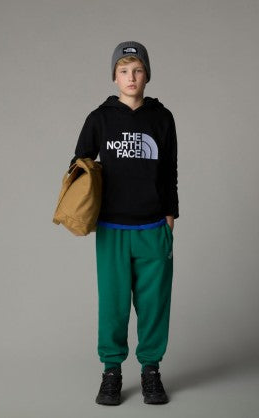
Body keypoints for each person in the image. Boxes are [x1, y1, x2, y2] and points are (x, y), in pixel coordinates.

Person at [69, 41, 179, 405]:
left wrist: (170, 213)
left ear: (147, 74)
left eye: (137, 70)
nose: (131, 77)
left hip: (153, 227)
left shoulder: (162, 118)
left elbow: (169, 169)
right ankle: (111, 372)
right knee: (113, 305)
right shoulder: (100, 118)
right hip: (112, 228)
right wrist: (84, 194)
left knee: (154, 304)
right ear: (114, 76)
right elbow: (80, 162)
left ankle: (151, 371)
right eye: (123, 71)